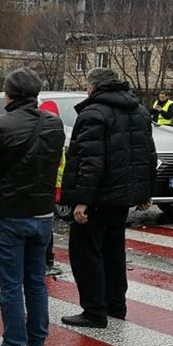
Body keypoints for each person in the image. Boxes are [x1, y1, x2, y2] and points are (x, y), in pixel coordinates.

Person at [0, 68, 65, 346]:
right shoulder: (55, 124)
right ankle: (37, 344)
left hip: (9, 215)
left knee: (10, 286)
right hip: (42, 215)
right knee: (36, 282)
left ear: (9, 94)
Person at [61, 68, 157, 328]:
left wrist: (81, 200)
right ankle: (116, 305)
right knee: (114, 252)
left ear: (93, 87)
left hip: (97, 198)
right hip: (121, 198)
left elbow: (90, 162)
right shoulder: (138, 110)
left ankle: (94, 311)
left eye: (86, 86)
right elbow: (148, 154)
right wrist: (145, 193)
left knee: (86, 254)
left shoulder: (93, 113)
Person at [37, 98, 64, 275]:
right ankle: (47, 261)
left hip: (37, 190)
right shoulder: (58, 137)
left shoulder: (33, 133)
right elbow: (61, 167)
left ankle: (45, 261)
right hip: (48, 190)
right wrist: (58, 190)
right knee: (46, 227)